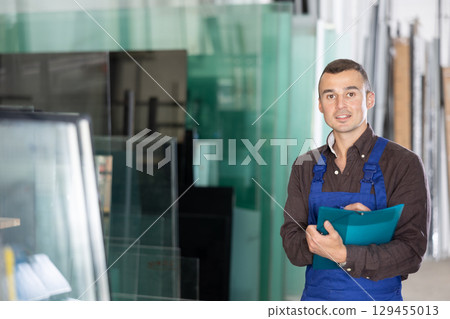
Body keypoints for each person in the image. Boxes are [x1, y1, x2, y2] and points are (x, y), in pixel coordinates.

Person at [280, 59, 430, 301]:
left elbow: (412, 253)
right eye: (330, 96)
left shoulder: (404, 164)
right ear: (320, 105)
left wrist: (344, 253)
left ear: (369, 99)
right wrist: (329, 233)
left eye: (350, 93)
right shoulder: (304, 165)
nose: (340, 105)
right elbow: (292, 247)